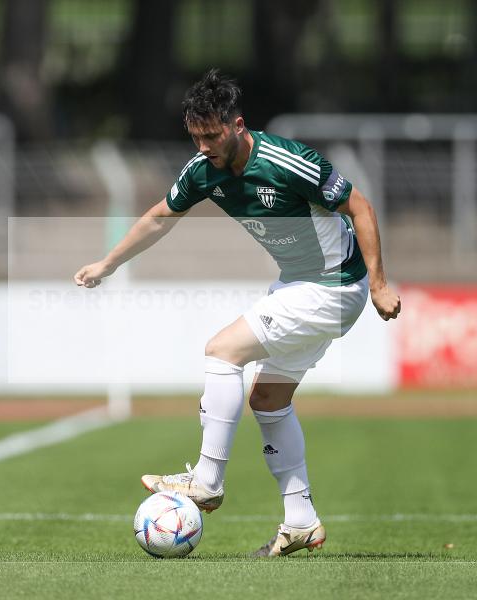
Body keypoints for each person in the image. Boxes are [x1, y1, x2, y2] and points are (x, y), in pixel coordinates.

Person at [74, 69, 400, 557]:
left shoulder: (287, 160)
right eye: (196, 136)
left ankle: (206, 481)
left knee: (221, 351)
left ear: (237, 125)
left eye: (211, 135)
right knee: (268, 400)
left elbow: (360, 206)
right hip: (301, 287)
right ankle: (301, 520)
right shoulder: (202, 170)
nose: (203, 146)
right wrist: (108, 263)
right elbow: (160, 216)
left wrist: (379, 284)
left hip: (333, 287)